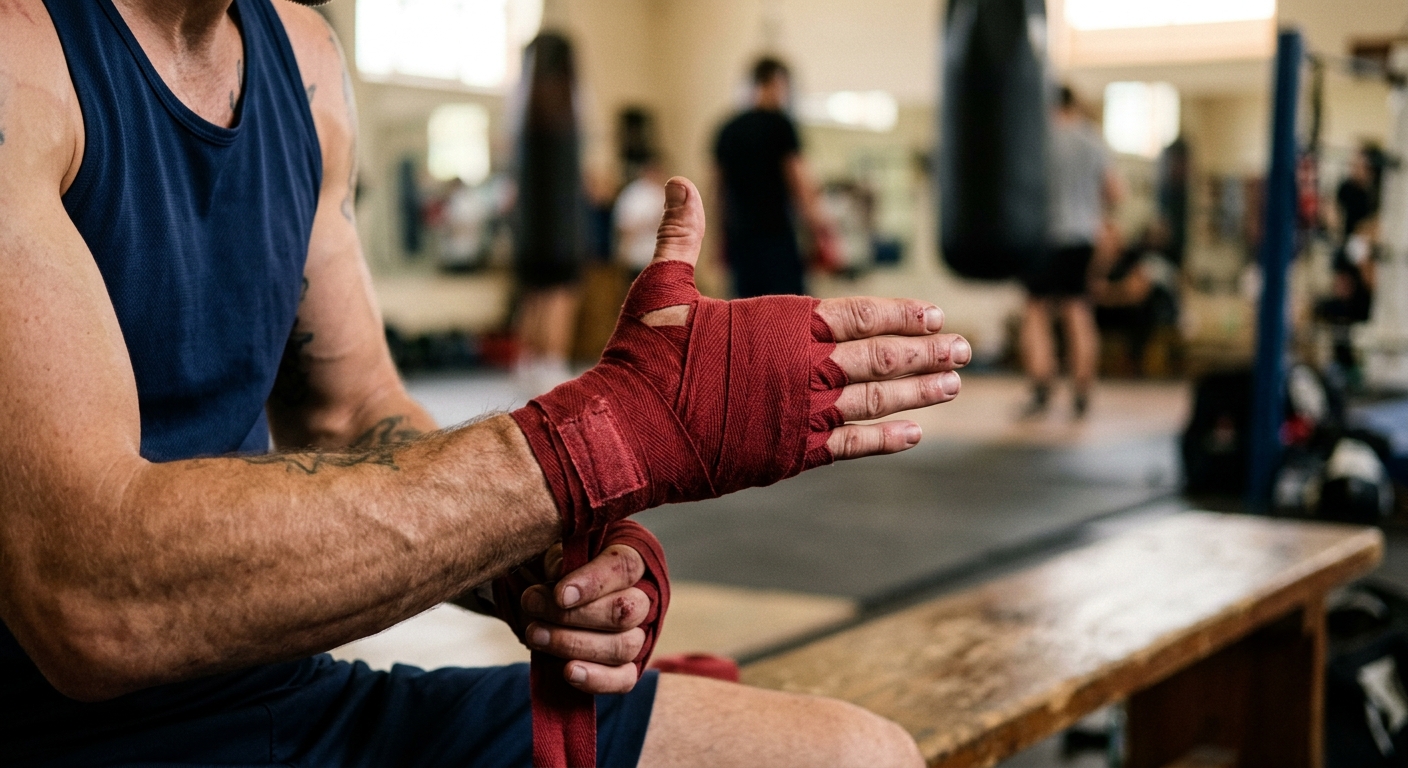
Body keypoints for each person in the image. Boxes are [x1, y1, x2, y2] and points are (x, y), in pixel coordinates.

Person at [0, 1, 972, 766]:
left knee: (854, 754)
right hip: (52, 736)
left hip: (276, 695)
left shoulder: (301, 60)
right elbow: (90, 599)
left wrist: (531, 561)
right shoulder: (21, 55)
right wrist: (604, 439)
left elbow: (352, 420)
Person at [1019, 85, 1122, 419]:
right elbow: (1116, 192)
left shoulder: (1034, 138)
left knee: (1036, 312)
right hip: (1080, 237)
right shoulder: (1091, 139)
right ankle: (1081, 391)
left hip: (1040, 238)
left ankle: (1040, 387)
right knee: (1077, 310)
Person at [713, 57, 833, 298]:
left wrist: (719, 238)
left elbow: (716, 191)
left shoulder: (727, 129)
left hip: (740, 238)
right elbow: (799, 181)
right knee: (790, 314)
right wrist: (820, 229)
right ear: (776, 83)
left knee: (744, 314)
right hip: (776, 238)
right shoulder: (781, 126)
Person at [512, 32, 586, 396]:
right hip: (559, 228)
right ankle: (552, 368)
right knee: (560, 292)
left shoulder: (523, 119)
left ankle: (532, 364)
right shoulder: (567, 116)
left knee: (536, 293)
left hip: (530, 230)